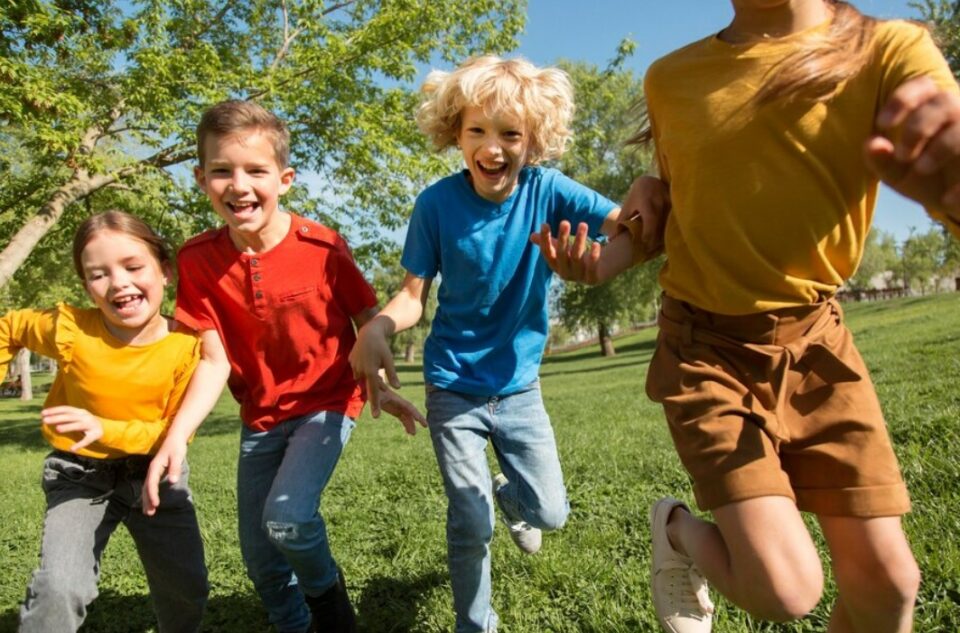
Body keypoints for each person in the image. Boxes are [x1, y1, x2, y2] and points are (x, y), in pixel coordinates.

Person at [534, 1, 960, 632]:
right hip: (705, 349)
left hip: (818, 345)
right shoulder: (671, 78)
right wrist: (596, 264)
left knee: (888, 587)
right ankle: (675, 530)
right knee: (786, 592)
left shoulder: (886, 49)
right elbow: (674, 206)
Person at [348, 55, 623, 633]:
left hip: (519, 386)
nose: (492, 147)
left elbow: (622, 220)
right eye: (478, 130)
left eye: (510, 134)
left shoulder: (548, 190)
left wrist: (639, 226)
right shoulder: (436, 205)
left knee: (550, 512)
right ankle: (477, 624)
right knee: (469, 521)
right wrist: (378, 325)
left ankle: (509, 493)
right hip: (452, 385)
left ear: (534, 140)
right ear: (456, 133)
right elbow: (412, 296)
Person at [141, 100, 425, 633]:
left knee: (288, 520)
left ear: (285, 178)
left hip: (329, 401)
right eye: (222, 170)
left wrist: (381, 383)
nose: (238, 184)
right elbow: (210, 355)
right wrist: (177, 434)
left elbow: (368, 317)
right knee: (260, 556)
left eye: (255, 171)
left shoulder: (322, 247)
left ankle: (331, 610)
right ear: (202, 179)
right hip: (260, 417)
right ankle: (291, 623)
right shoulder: (197, 259)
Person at [2, 211, 208, 633]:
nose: (119, 284)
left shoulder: (188, 346)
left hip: (156, 477)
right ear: (86, 286)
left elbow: (173, 432)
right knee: (59, 588)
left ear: (165, 271)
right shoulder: (71, 329)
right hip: (80, 476)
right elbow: (10, 326)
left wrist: (107, 428)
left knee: (187, 588)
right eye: (99, 275)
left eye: (133, 267)